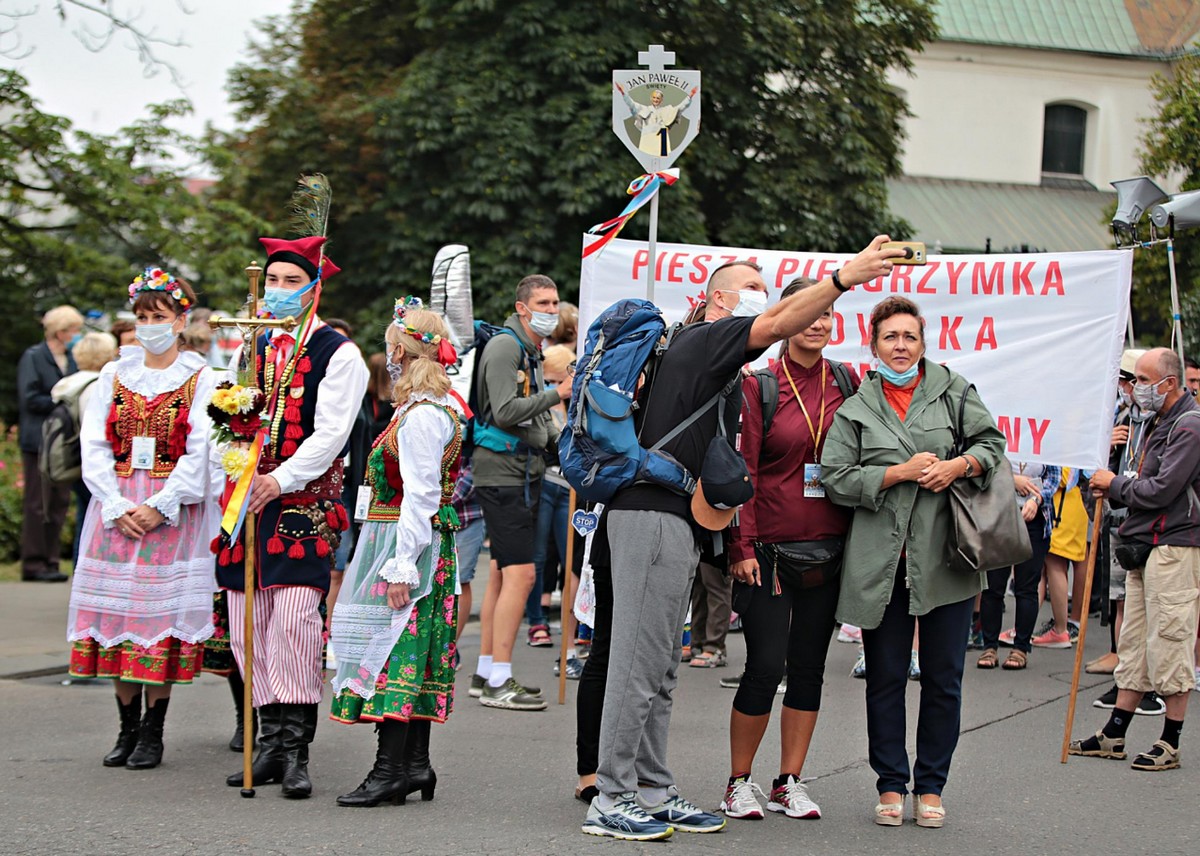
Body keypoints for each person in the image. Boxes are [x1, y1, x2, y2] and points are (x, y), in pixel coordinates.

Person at [582, 237, 904, 841]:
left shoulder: (703, 353)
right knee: (636, 665)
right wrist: (845, 277)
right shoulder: (707, 338)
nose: (764, 297)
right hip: (651, 516)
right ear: (720, 300)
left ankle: (651, 789)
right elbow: (780, 323)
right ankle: (613, 796)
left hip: (674, 518)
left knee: (660, 668)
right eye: (753, 288)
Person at [821, 295, 1006, 828]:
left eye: (909, 337)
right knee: (885, 678)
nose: (900, 346)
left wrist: (958, 465)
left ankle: (930, 786)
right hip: (882, 563)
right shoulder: (856, 407)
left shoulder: (955, 391)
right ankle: (890, 783)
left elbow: (991, 444)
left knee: (944, 678)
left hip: (946, 557)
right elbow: (835, 478)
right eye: (890, 337)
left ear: (924, 342)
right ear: (873, 344)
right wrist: (898, 474)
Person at [218, 235, 369, 798]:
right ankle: (269, 743)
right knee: (247, 624)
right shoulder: (251, 345)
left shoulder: (339, 352)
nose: (279, 290)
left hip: (300, 505)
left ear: (314, 288)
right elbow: (227, 415)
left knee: (295, 623)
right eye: (273, 280)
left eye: (291, 281)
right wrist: (236, 464)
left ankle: (296, 749)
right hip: (246, 501)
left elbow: (331, 435)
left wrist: (278, 479)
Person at [67, 268, 219, 770]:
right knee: (117, 616)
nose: (149, 325)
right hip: (116, 502)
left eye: (158, 316)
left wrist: (162, 503)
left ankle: (154, 730)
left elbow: (201, 450)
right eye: (142, 317)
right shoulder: (114, 374)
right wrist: (113, 503)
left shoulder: (201, 378)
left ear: (180, 321)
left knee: (157, 619)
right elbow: (93, 443)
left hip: (169, 509)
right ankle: (126, 726)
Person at [720, 277, 858, 821]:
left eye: (827, 314)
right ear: (787, 317)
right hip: (768, 554)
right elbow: (743, 471)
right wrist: (741, 545)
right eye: (809, 312)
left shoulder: (847, 381)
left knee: (808, 668)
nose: (817, 322)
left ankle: (788, 782)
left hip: (829, 550)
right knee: (764, 666)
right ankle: (737, 782)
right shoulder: (760, 385)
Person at [329, 298, 463, 807]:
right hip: (407, 537)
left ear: (401, 353)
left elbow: (421, 495)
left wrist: (403, 565)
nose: (387, 357)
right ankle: (414, 766)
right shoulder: (422, 410)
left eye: (390, 348)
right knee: (408, 647)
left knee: (394, 650)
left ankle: (390, 771)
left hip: (409, 541)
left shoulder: (423, 416)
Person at [1069, 348, 1200, 771]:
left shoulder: (1189, 425)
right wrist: (1113, 481)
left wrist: (1115, 484)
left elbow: (1161, 489)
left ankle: (1170, 740)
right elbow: (1140, 478)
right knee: (1135, 642)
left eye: (1143, 380)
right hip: (1145, 542)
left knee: (1170, 640)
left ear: (1169, 383)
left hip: (1174, 544)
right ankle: (1115, 732)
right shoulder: (1156, 421)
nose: (1136, 387)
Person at [470, 275, 570, 711]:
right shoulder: (505, 347)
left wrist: (563, 445)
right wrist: (557, 394)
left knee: (500, 573)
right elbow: (506, 411)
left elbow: (538, 421)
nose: (551, 310)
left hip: (521, 470)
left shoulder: (530, 349)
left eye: (555, 302)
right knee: (523, 575)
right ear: (522, 307)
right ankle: (499, 681)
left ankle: (486, 673)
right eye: (543, 303)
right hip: (502, 472)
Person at [18, 304, 82, 582]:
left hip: (63, 441)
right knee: (37, 502)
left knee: (59, 501)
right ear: (60, 331)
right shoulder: (34, 356)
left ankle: (52, 561)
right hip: (38, 440)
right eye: (73, 330)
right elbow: (29, 397)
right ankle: (34, 563)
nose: (76, 335)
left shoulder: (71, 358)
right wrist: (60, 401)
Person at [976, 460, 1057, 671]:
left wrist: (1037, 499)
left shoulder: (1048, 441)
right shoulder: (1001, 439)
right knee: (992, 586)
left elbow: (1054, 477)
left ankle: (1021, 647)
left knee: (1027, 586)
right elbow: (984, 469)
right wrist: (1011, 480)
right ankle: (989, 646)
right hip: (998, 515)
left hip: (1035, 518)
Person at [50, 332, 118, 565]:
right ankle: (88, 566)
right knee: (95, 519)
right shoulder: (96, 386)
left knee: (84, 514)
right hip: (93, 459)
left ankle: (80, 565)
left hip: (73, 458)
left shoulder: (69, 384)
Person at [526, 343, 573, 648]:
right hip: (544, 483)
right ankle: (536, 621)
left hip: (568, 487)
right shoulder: (543, 400)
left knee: (570, 558)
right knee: (539, 556)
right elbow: (544, 442)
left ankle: (570, 624)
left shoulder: (573, 403)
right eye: (554, 379)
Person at [616, 83, 697, 158]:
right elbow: (632, 104)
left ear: (661, 100)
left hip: (662, 141)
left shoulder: (666, 110)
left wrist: (690, 96)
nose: (655, 100)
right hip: (647, 140)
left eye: (658, 98)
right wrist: (623, 93)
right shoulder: (644, 109)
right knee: (647, 158)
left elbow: (680, 108)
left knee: (662, 160)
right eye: (654, 97)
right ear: (651, 98)